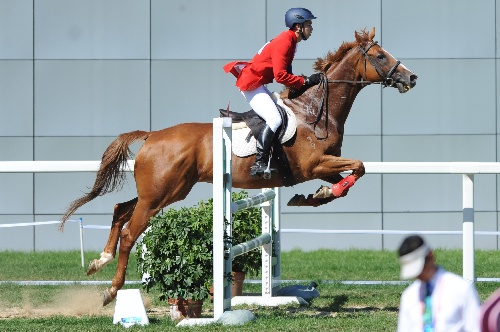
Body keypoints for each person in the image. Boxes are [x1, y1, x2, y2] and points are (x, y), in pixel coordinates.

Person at [224, 7, 322, 178]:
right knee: (275, 118)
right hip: (251, 84)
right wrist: (304, 81)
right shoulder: (285, 41)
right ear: (298, 26)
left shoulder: (291, 41)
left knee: (282, 112)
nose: (311, 28)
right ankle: (259, 163)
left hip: (257, 82)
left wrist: (300, 85)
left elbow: (287, 72)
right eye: (308, 24)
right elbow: (280, 76)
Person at [397, 234, 481, 332]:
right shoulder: (409, 296)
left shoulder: (461, 289)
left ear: (431, 256)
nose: (417, 275)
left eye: (419, 269)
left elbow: (475, 327)